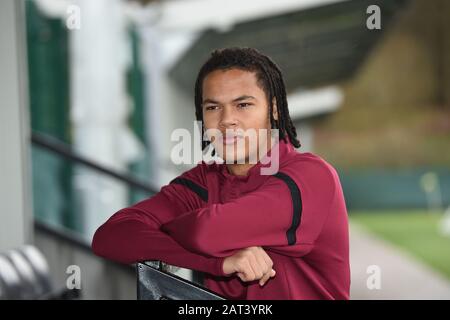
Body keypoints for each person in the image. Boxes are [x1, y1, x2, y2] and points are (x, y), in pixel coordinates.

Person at [92, 47, 350, 300]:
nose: (227, 120)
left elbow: (206, 232)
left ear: (273, 109)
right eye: (213, 108)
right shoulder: (201, 182)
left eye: (243, 104)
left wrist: (165, 233)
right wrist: (220, 263)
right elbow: (111, 236)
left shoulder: (312, 177)